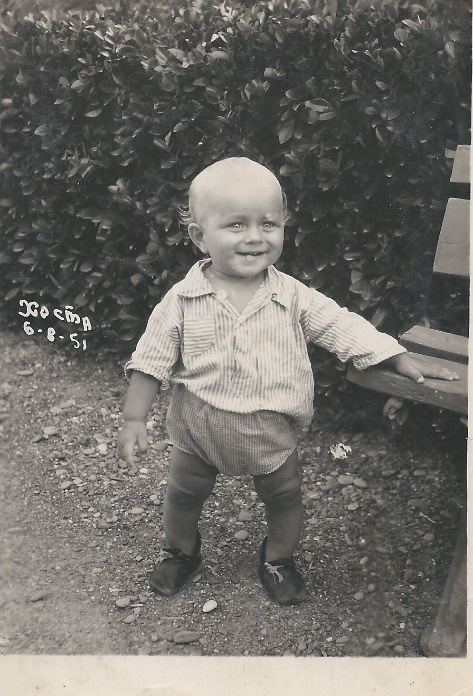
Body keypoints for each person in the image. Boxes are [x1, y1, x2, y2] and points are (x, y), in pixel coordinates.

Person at [116, 157, 458, 605]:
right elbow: (150, 360)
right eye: (236, 225)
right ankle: (181, 551)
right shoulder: (181, 300)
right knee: (183, 493)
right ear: (200, 236)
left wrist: (392, 354)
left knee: (283, 495)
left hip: (270, 429)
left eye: (268, 224)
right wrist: (134, 418)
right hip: (198, 427)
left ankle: (278, 558)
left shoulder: (292, 295)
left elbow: (339, 324)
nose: (255, 237)